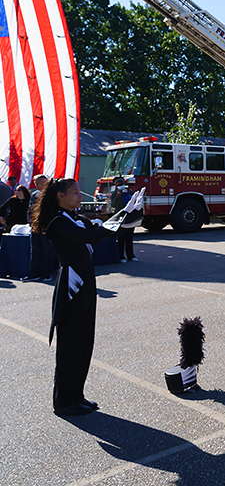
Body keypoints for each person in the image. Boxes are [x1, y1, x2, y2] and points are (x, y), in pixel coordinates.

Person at [31, 178, 141, 416]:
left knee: (83, 343)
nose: (81, 197)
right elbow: (91, 237)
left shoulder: (75, 217)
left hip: (86, 282)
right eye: (75, 193)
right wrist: (122, 214)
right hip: (72, 285)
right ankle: (64, 401)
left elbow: (103, 232)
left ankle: (76, 395)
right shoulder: (59, 222)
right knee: (70, 345)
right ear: (60, 196)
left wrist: (129, 212)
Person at [23, 174, 56, 282]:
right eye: (35, 182)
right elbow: (30, 210)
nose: (36, 185)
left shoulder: (52, 195)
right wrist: (30, 223)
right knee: (35, 251)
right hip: (35, 227)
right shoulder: (34, 194)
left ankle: (47, 273)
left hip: (46, 227)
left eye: (38, 183)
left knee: (47, 251)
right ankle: (33, 273)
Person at [109, 177, 137, 262]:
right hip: (121, 217)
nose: (121, 186)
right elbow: (114, 205)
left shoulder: (129, 192)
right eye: (119, 185)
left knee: (129, 237)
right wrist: (118, 196)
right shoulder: (114, 194)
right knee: (121, 237)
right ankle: (121, 256)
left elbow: (134, 200)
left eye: (122, 184)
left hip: (130, 216)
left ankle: (130, 256)